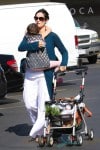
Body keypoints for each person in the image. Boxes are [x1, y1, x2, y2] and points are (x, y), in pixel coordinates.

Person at [18, 8, 68, 141]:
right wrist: (35, 44)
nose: (38, 20)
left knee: (45, 104)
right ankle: (40, 126)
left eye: (41, 18)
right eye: (36, 18)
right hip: (30, 73)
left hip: (45, 73)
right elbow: (21, 47)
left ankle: (40, 131)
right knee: (29, 104)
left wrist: (63, 63)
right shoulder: (29, 34)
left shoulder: (52, 36)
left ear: (46, 20)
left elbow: (64, 51)